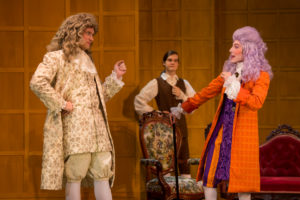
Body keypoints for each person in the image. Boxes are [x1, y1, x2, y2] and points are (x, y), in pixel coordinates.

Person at [30, 13, 126, 200]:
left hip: (98, 129)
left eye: (92, 34)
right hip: (76, 128)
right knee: (75, 173)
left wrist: (116, 77)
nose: (91, 38)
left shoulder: (87, 62)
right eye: (88, 33)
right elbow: (37, 82)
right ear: (74, 33)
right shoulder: (56, 58)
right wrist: (61, 103)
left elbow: (98, 98)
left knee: (102, 173)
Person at [171, 26, 273, 200]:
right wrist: (182, 109)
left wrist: (234, 86)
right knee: (209, 177)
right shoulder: (229, 74)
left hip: (242, 136)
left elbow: (256, 102)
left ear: (247, 49)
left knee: (243, 185)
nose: (230, 50)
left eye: (235, 46)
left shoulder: (260, 76)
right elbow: (205, 93)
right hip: (222, 132)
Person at [134, 50, 196, 177]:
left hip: (181, 129)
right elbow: (138, 101)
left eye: (175, 60)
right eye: (169, 60)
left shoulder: (184, 83)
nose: (173, 63)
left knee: (184, 167)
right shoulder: (157, 82)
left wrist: (182, 96)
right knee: (166, 168)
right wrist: (158, 114)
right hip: (163, 132)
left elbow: (194, 105)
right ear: (164, 63)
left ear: (178, 64)